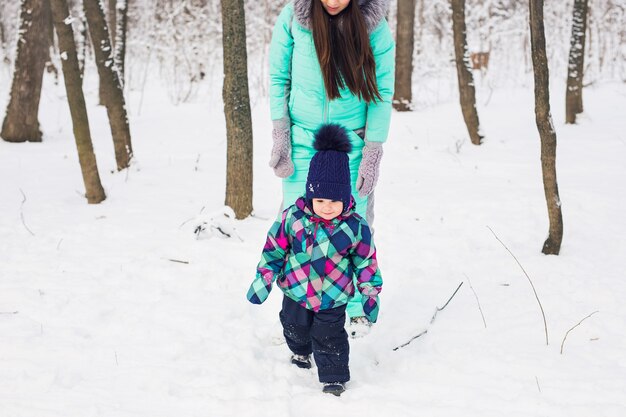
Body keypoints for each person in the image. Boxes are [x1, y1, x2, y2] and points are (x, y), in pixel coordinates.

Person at [267, 0, 394, 331]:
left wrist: (373, 150)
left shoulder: (374, 25)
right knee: (296, 225)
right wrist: (280, 131)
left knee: (353, 225)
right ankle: (298, 311)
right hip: (303, 142)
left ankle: (355, 307)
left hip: (351, 143)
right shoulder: (294, 16)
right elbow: (278, 75)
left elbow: (382, 91)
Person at [248, 124, 383, 396]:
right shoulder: (292, 219)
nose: (327, 207)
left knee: (329, 336)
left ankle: (333, 376)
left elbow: (366, 263)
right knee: (294, 327)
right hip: (296, 292)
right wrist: (264, 278)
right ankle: (300, 352)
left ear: (346, 198)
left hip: (333, 297)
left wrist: (369, 294)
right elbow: (274, 250)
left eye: (335, 201)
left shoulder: (355, 227)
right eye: (320, 199)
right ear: (310, 195)